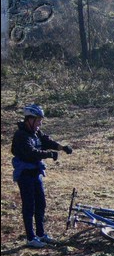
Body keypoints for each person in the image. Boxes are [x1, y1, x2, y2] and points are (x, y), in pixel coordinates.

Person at [11, 104, 73, 248]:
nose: (40, 123)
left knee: (41, 203)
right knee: (29, 205)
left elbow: (46, 140)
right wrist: (49, 154)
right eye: (38, 120)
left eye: (41, 121)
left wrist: (61, 147)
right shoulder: (21, 135)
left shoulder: (35, 132)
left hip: (36, 173)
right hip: (25, 175)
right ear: (29, 120)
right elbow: (30, 152)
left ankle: (41, 234)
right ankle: (31, 238)